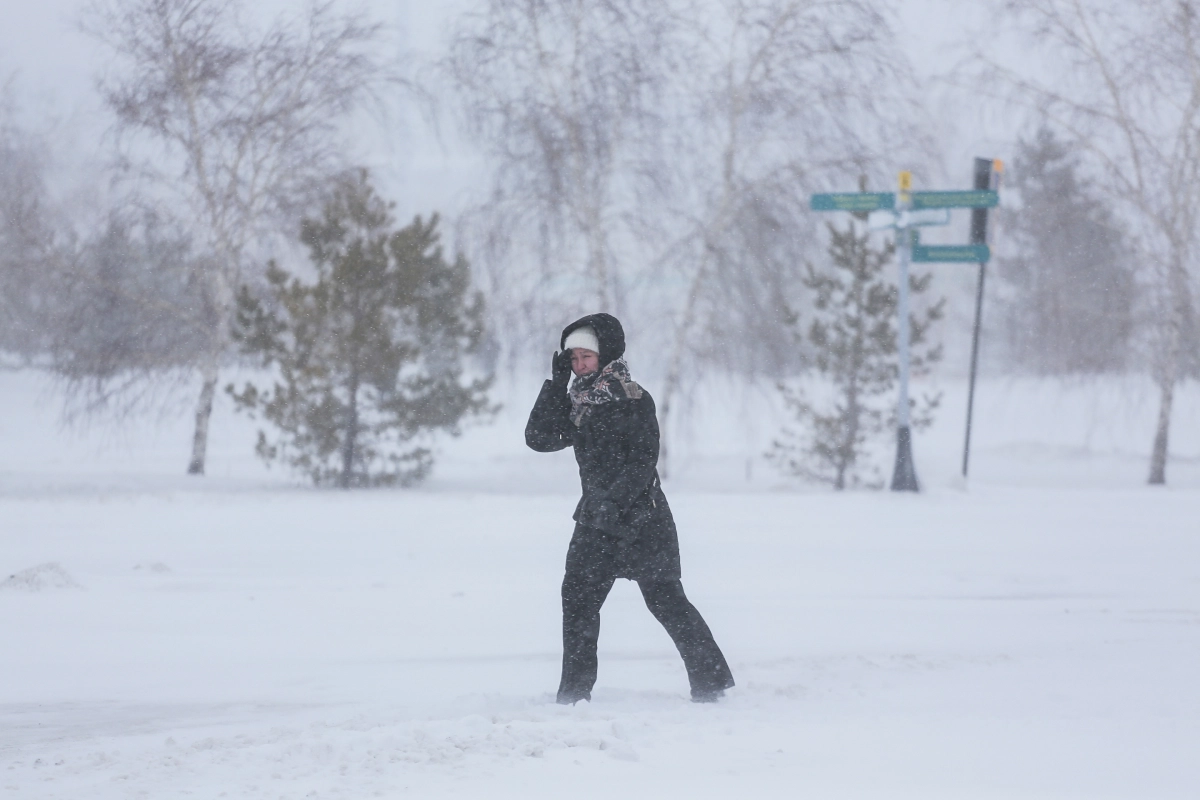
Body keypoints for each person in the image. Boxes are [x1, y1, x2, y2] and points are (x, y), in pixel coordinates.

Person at [525, 313, 735, 704]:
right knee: (578, 598)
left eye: (587, 356)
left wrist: (613, 501)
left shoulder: (632, 398)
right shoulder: (579, 404)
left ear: (606, 353)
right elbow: (538, 438)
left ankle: (712, 682)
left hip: (643, 519)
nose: (580, 365)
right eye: (574, 358)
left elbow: (643, 460)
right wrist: (555, 387)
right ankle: (573, 694)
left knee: (665, 600)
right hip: (595, 520)